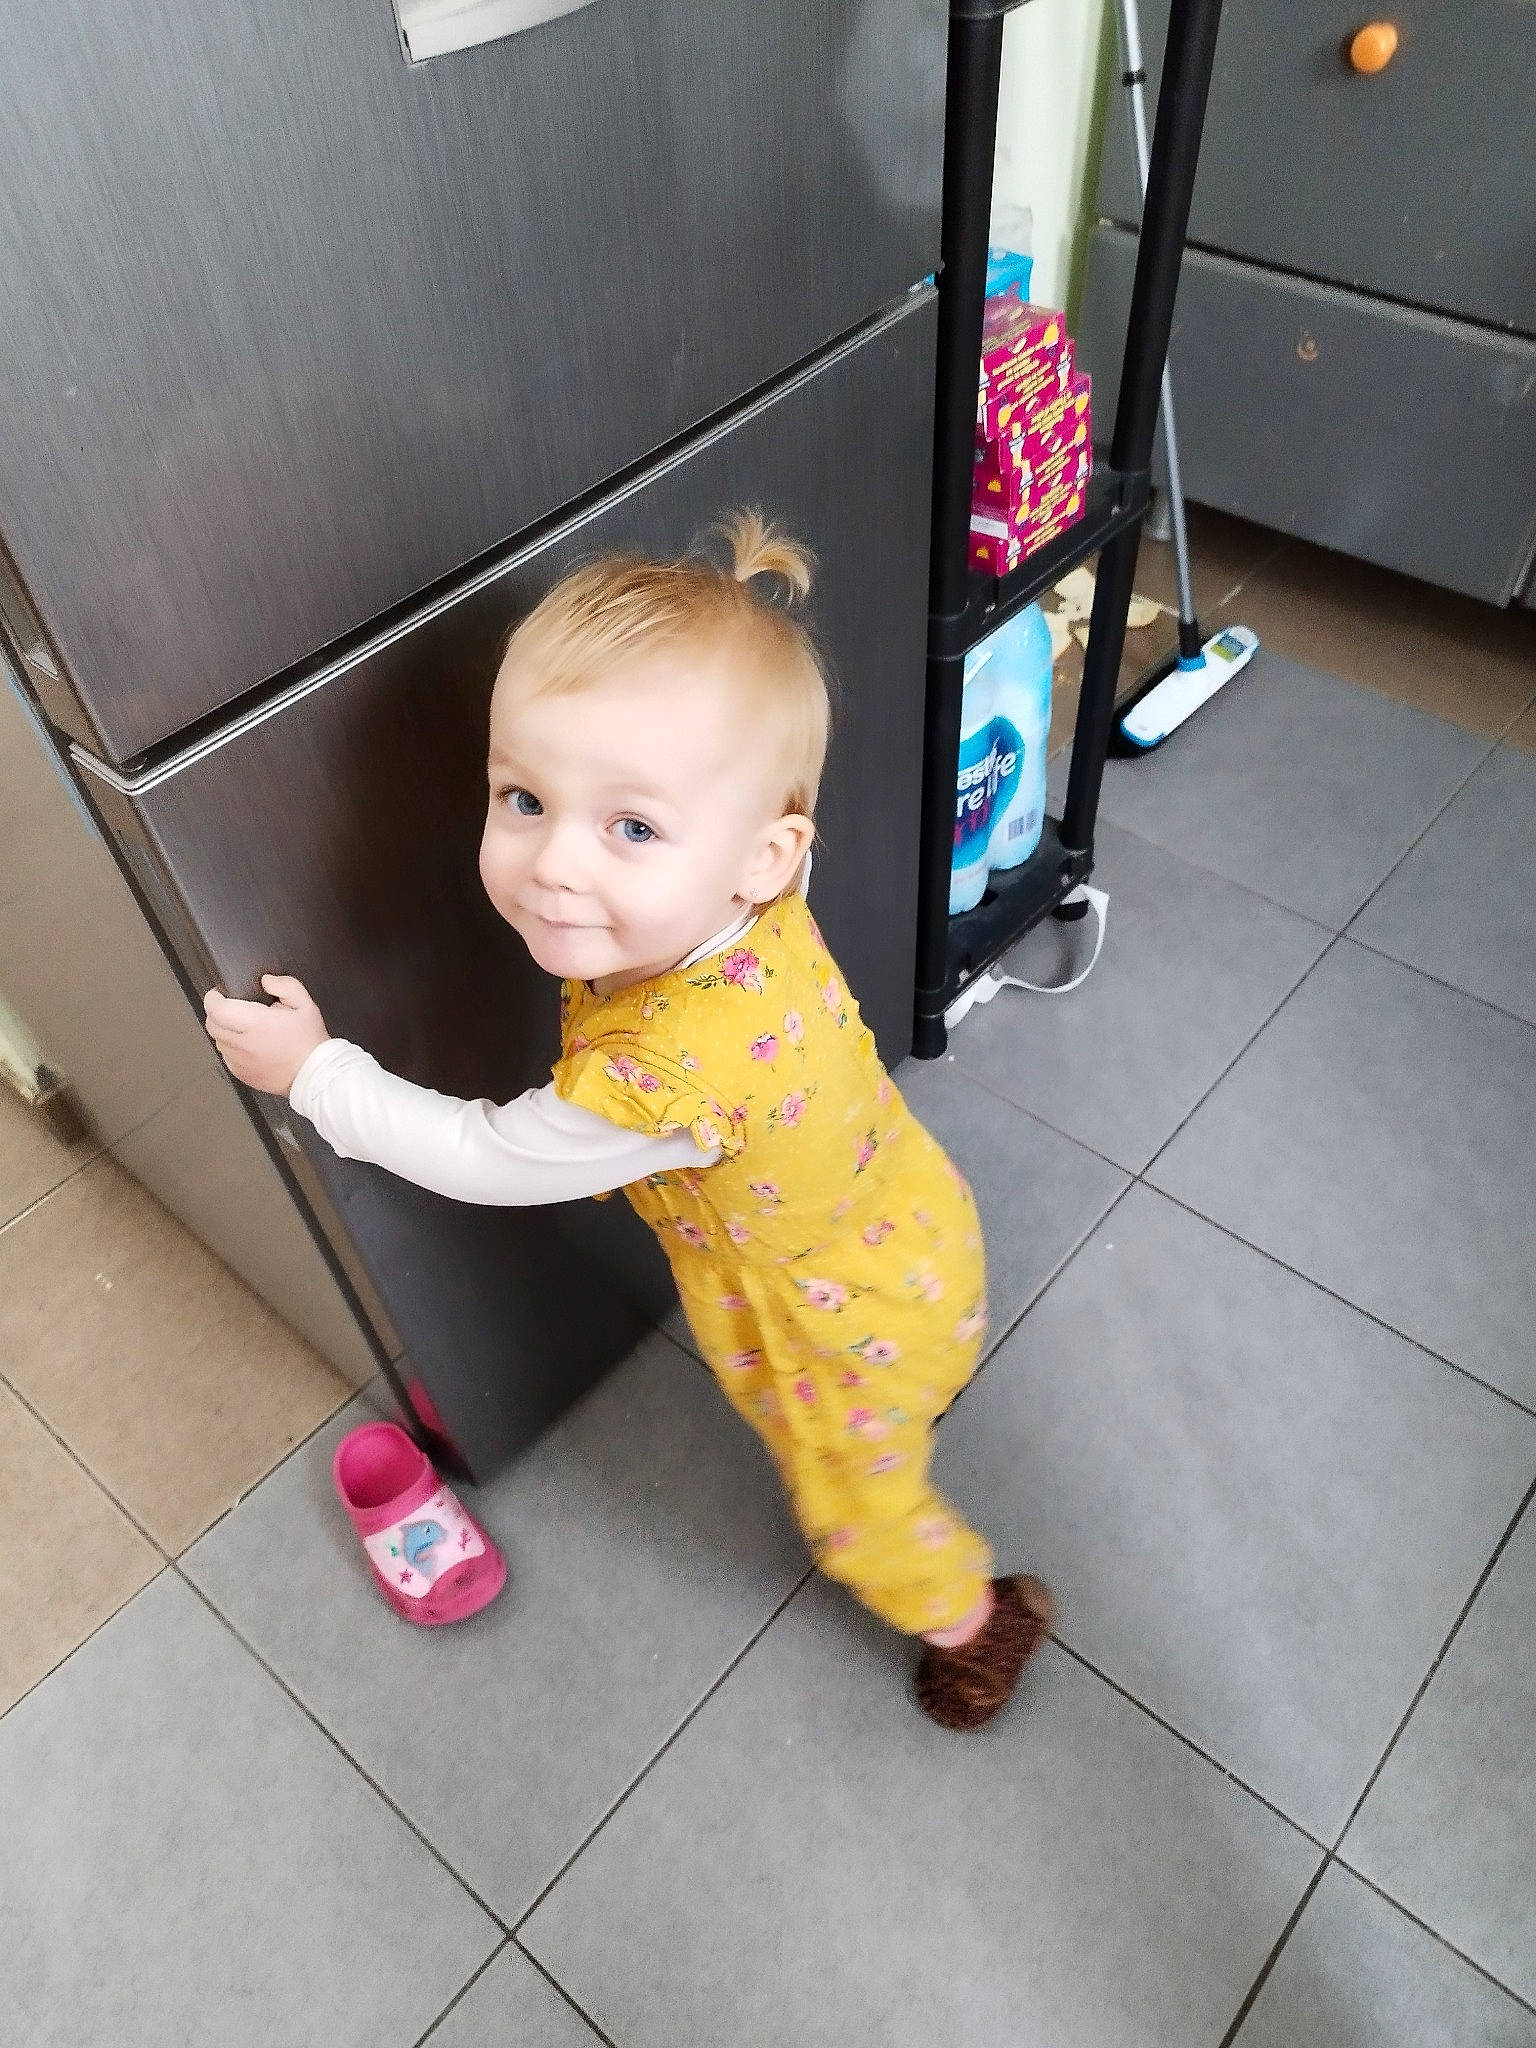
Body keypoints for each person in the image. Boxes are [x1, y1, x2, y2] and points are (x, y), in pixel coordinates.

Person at [203, 511, 1054, 1730]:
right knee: (902, 1392)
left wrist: (316, 1070)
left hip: (832, 1331)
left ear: (763, 852)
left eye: (632, 827)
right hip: (912, 1227)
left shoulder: (665, 1076)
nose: (555, 865)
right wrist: (644, 834)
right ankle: (921, 1400)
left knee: (857, 1516)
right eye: (525, 796)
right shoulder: (755, 897)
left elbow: (486, 1155)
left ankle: (976, 1616)